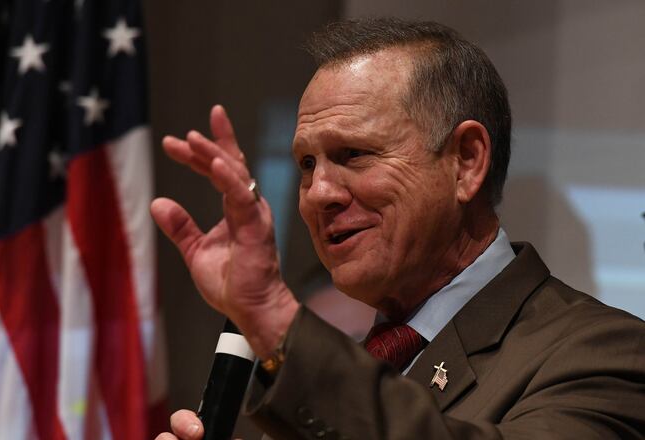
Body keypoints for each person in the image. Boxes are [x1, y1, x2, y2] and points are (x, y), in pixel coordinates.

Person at [151, 18, 645, 439]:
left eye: (353, 154)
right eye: (306, 163)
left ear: (466, 162)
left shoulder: (606, 354)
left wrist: (271, 314)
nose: (319, 193)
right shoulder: (337, 371)